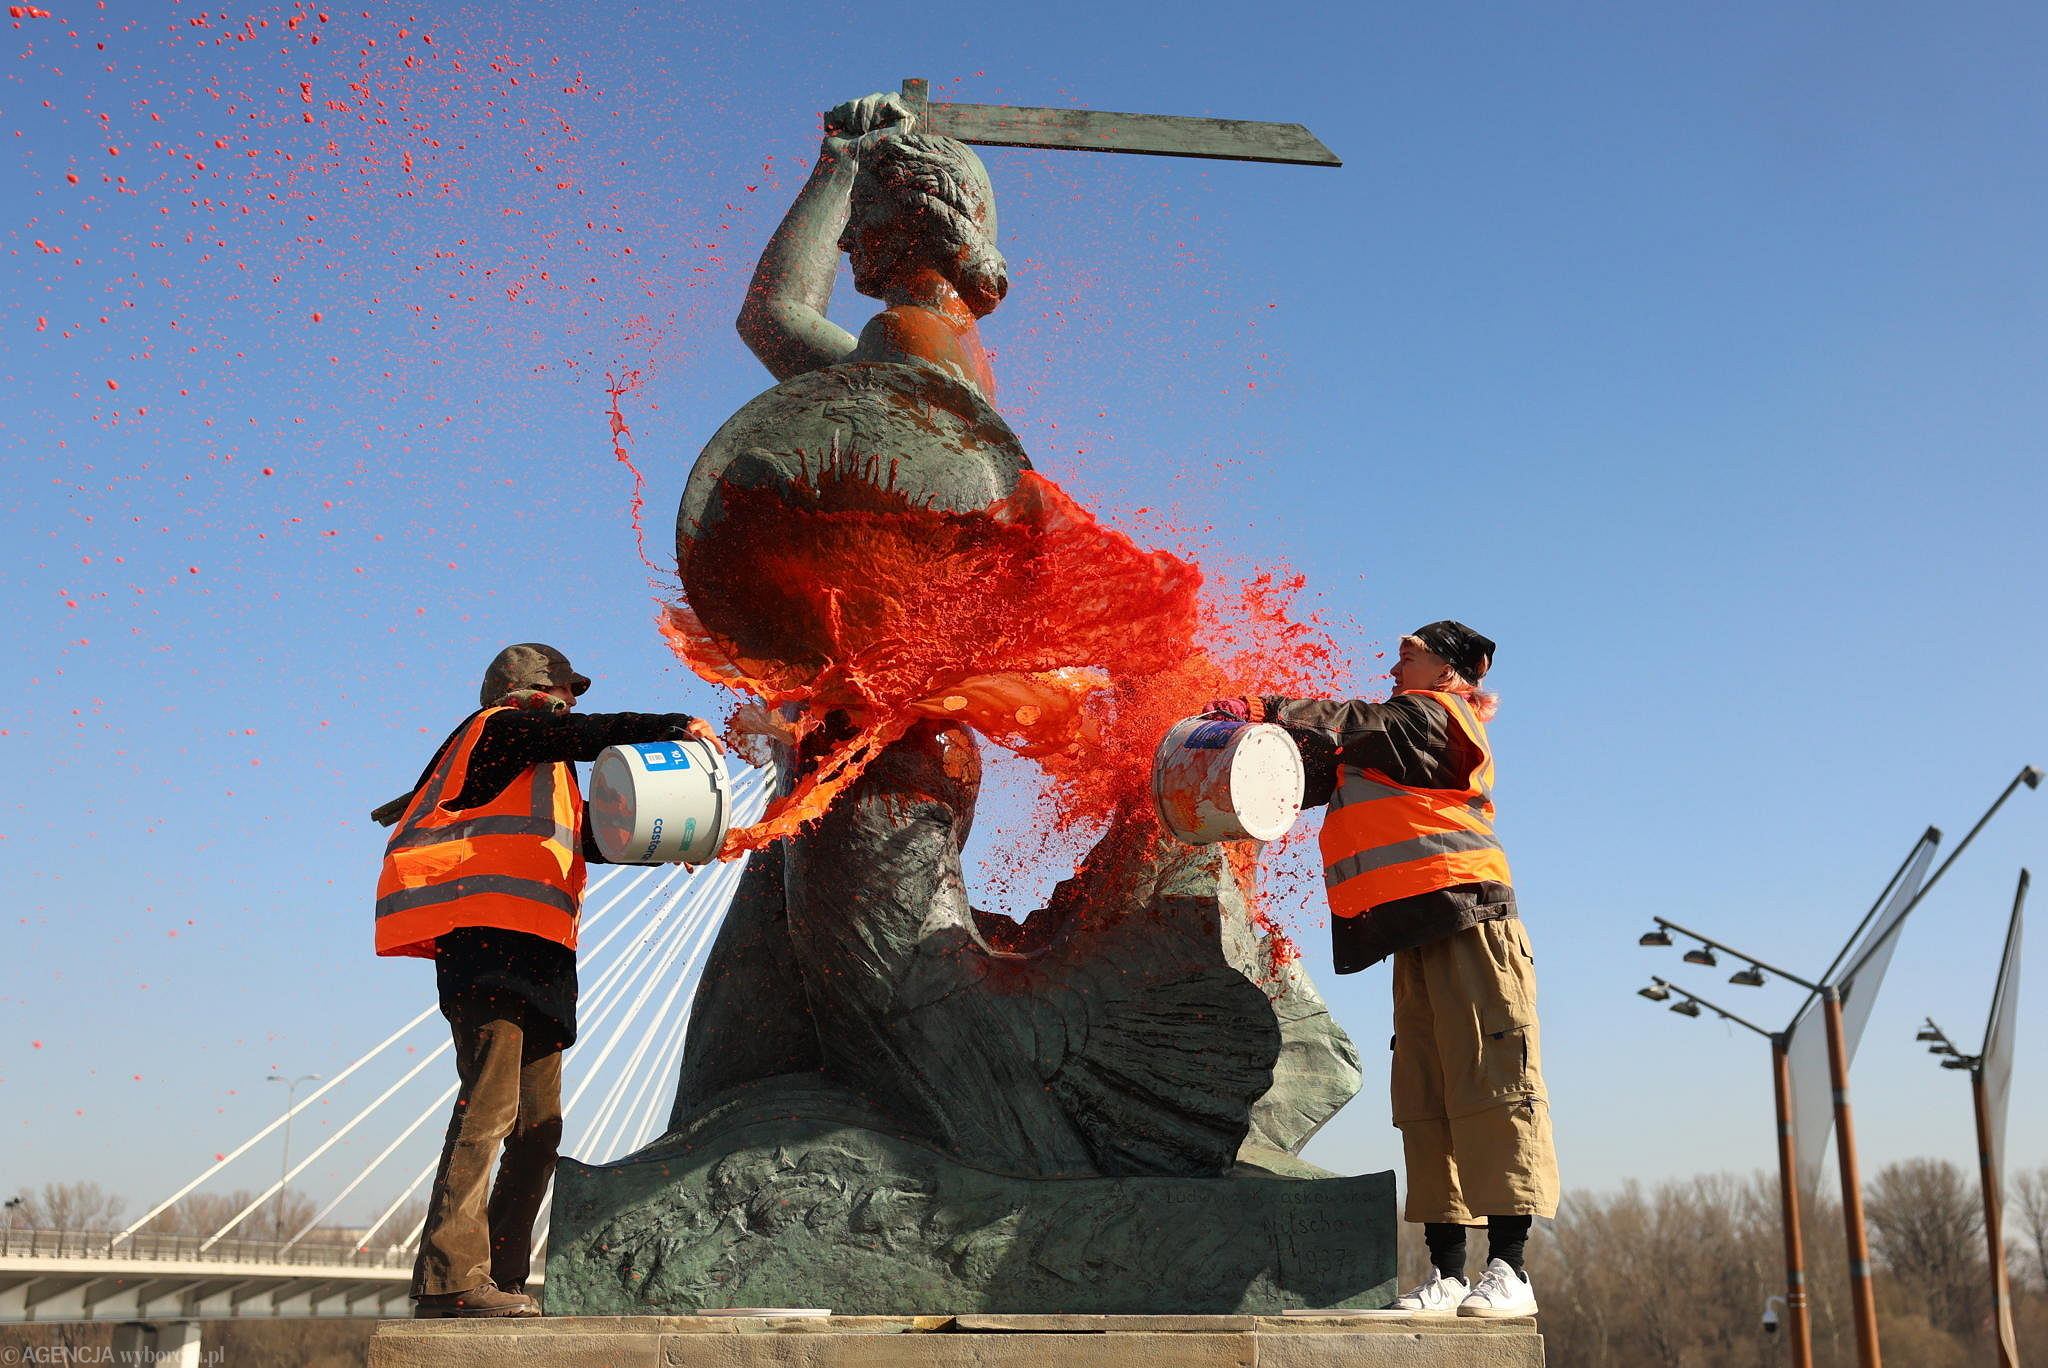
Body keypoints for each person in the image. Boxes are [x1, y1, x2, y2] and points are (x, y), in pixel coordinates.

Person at [1213, 620, 1556, 1318]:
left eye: (1412, 652)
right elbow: (1310, 763)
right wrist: (1233, 736)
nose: (1396, 660)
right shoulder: (1381, 744)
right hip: (1417, 932)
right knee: (1425, 1101)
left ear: (1451, 671)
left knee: (1492, 1083)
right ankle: (1450, 1275)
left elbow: (1355, 722)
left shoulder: (1437, 719)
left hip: (1471, 917)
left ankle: (1511, 1273)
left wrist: (1270, 704)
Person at [371, 643, 722, 1318]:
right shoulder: (501, 733)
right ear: (529, 692)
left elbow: (594, 836)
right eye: (561, 692)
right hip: (490, 949)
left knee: (538, 1132)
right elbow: (582, 734)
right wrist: (673, 726)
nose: (570, 704)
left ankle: (500, 1279)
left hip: (539, 961)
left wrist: (685, 840)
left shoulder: (540, 773)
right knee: (489, 1110)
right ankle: (450, 1282)